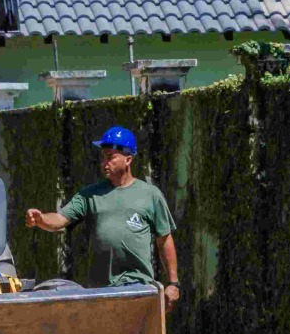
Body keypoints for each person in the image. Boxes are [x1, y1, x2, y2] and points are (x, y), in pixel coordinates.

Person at [25, 126, 180, 308]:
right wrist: (42, 219)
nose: (104, 163)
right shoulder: (90, 194)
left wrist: (173, 284)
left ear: (128, 159)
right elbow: (60, 220)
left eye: (110, 157)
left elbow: (164, 240)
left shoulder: (150, 195)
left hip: (138, 287)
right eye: (103, 157)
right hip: (101, 290)